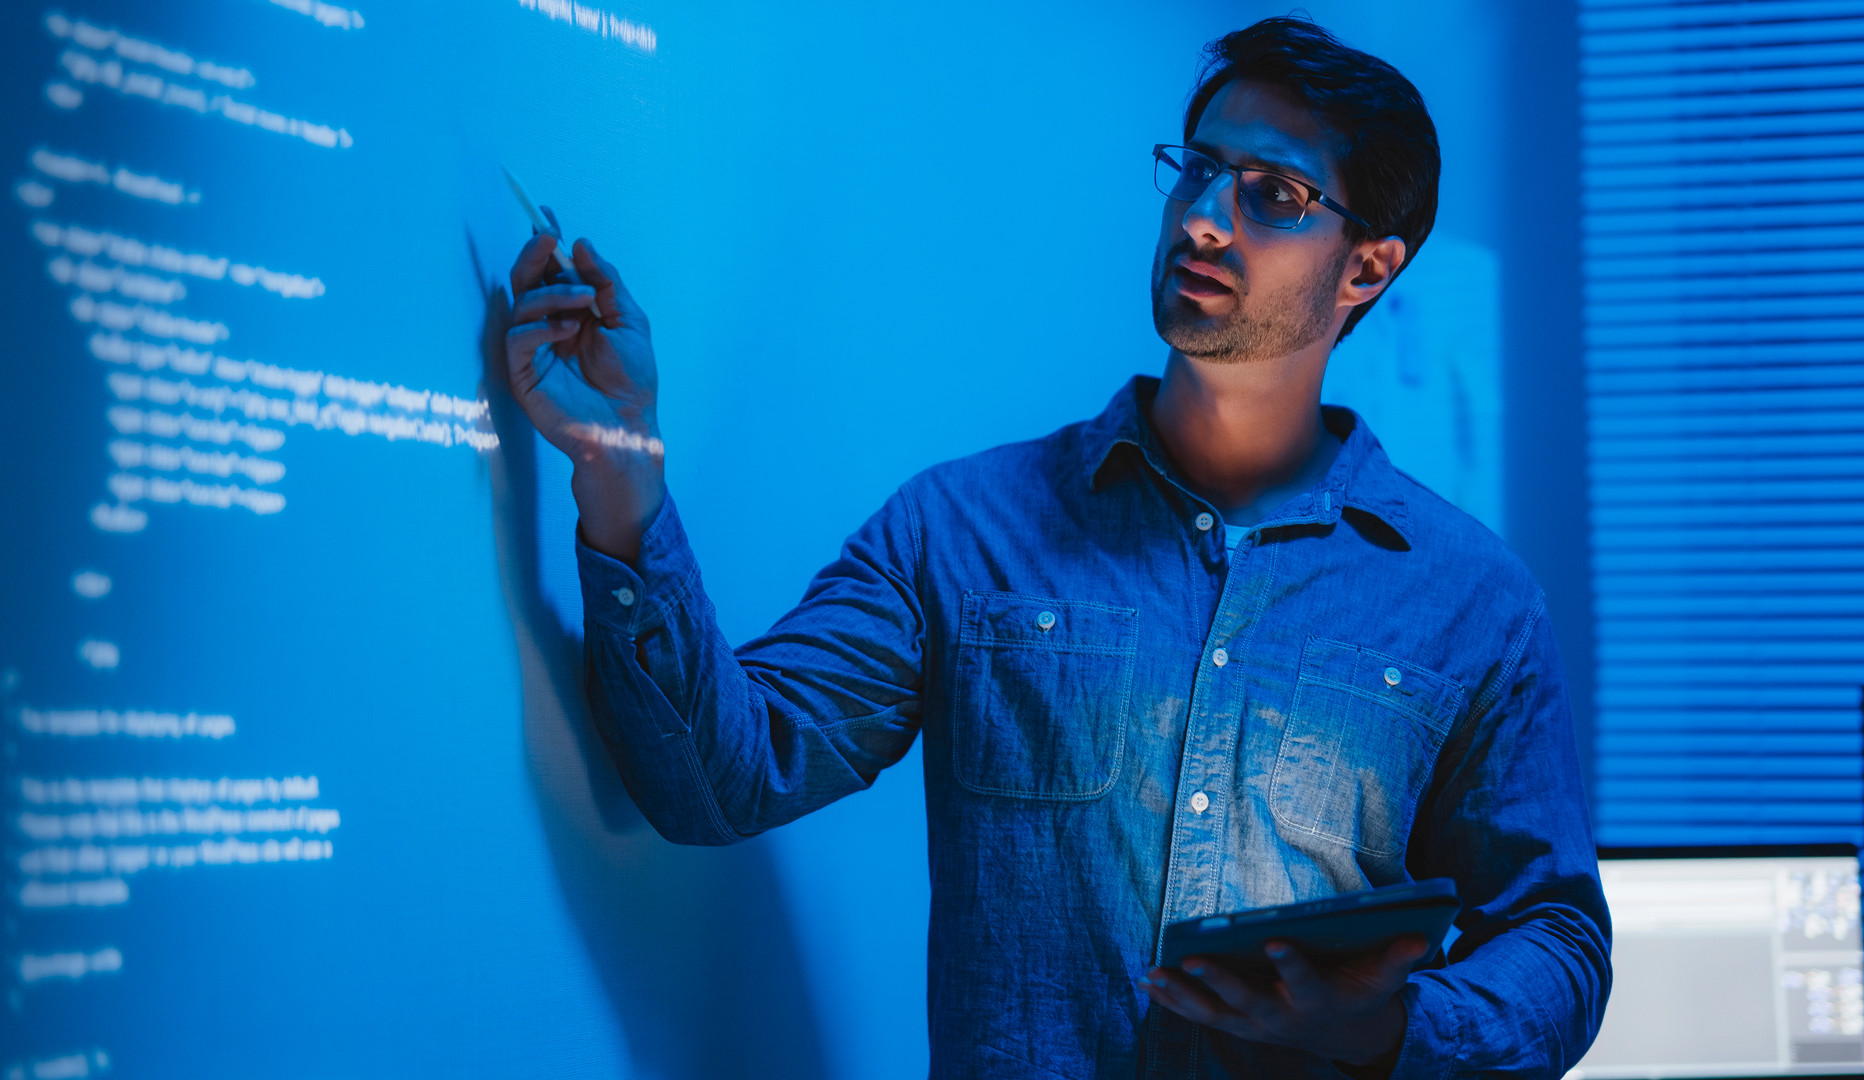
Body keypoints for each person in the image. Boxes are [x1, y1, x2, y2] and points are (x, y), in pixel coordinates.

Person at [502, 16, 1610, 1078]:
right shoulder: (963, 529)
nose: (1207, 219)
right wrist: (618, 458)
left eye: (1272, 195)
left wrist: (1390, 1029)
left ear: (1366, 269)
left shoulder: (1474, 602)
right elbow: (719, 779)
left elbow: (1558, 944)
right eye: (1198, 169)